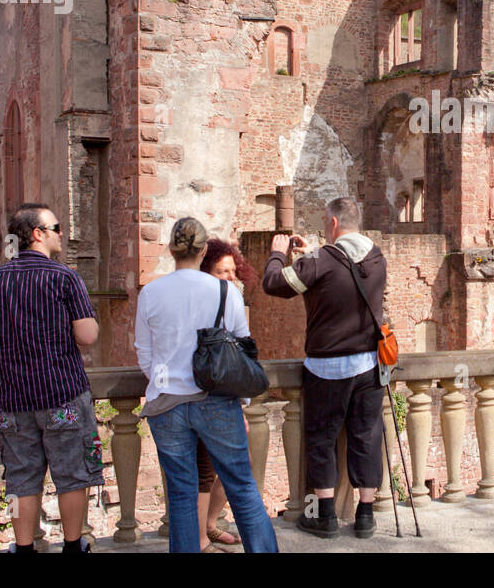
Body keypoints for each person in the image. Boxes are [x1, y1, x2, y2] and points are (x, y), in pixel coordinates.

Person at [135, 218, 278, 553]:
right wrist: (240, 400)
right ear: (202, 251)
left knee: (182, 494)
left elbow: (145, 353)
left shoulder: (151, 292)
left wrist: (164, 380)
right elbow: (243, 349)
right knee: (241, 486)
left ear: (172, 249)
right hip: (215, 400)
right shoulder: (226, 292)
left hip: (167, 403)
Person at [0, 202, 102, 553]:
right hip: (62, 395)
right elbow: (88, 335)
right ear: (37, 234)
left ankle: (23, 546)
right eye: (56, 227)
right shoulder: (64, 277)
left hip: (14, 401)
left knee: (19, 481)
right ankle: (73, 546)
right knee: (72, 476)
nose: (62, 233)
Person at [262, 197, 387, 539]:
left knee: (322, 439)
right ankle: (364, 515)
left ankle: (326, 517)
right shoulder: (377, 258)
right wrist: (315, 251)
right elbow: (342, 272)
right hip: (368, 366)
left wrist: (277, 253)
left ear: (332, 223)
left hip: (326, 367)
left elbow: (274, 284)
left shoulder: (321, 260)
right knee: (366, 435)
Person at [191, 238, 255, 550]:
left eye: (232, 271)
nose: (230, 277)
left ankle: (209, 524)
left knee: (234, 463)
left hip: (222, 394)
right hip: (208, 395)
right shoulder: (205, 299)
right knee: (207, 469)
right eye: (221, 271)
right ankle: (201, 536)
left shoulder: (231, 298)